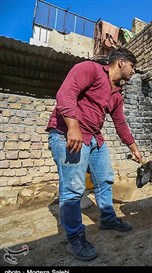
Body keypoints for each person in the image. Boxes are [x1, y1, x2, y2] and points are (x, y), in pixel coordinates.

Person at [46, 47, 143, 261]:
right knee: (73, 190)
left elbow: (120, 123)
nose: (134, 72)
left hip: (94, 139)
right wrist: (73, 127)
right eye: (132, 66)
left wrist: (133, 148)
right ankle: (75, 238)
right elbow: (65, 93)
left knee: (105, 180)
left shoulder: (116, 93)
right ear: (121, 62)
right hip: (67, 134)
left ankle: (108, 219)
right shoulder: (90, 69)